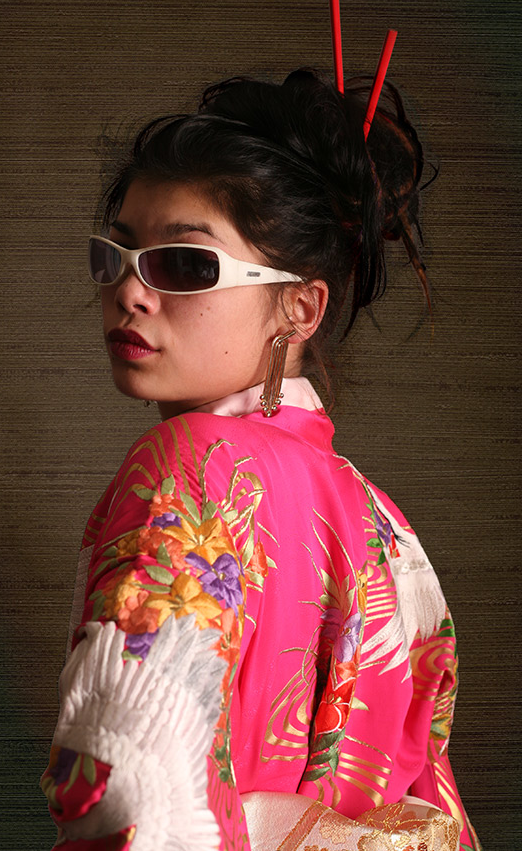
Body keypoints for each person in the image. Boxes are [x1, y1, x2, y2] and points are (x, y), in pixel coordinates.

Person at [40, 69, 481, 851]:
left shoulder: (189, 464)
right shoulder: (381, 521)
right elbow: (433, 803)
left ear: (299, 307)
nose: (130, 292)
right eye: (117, 254)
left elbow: (124, 784)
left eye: (185, 264)